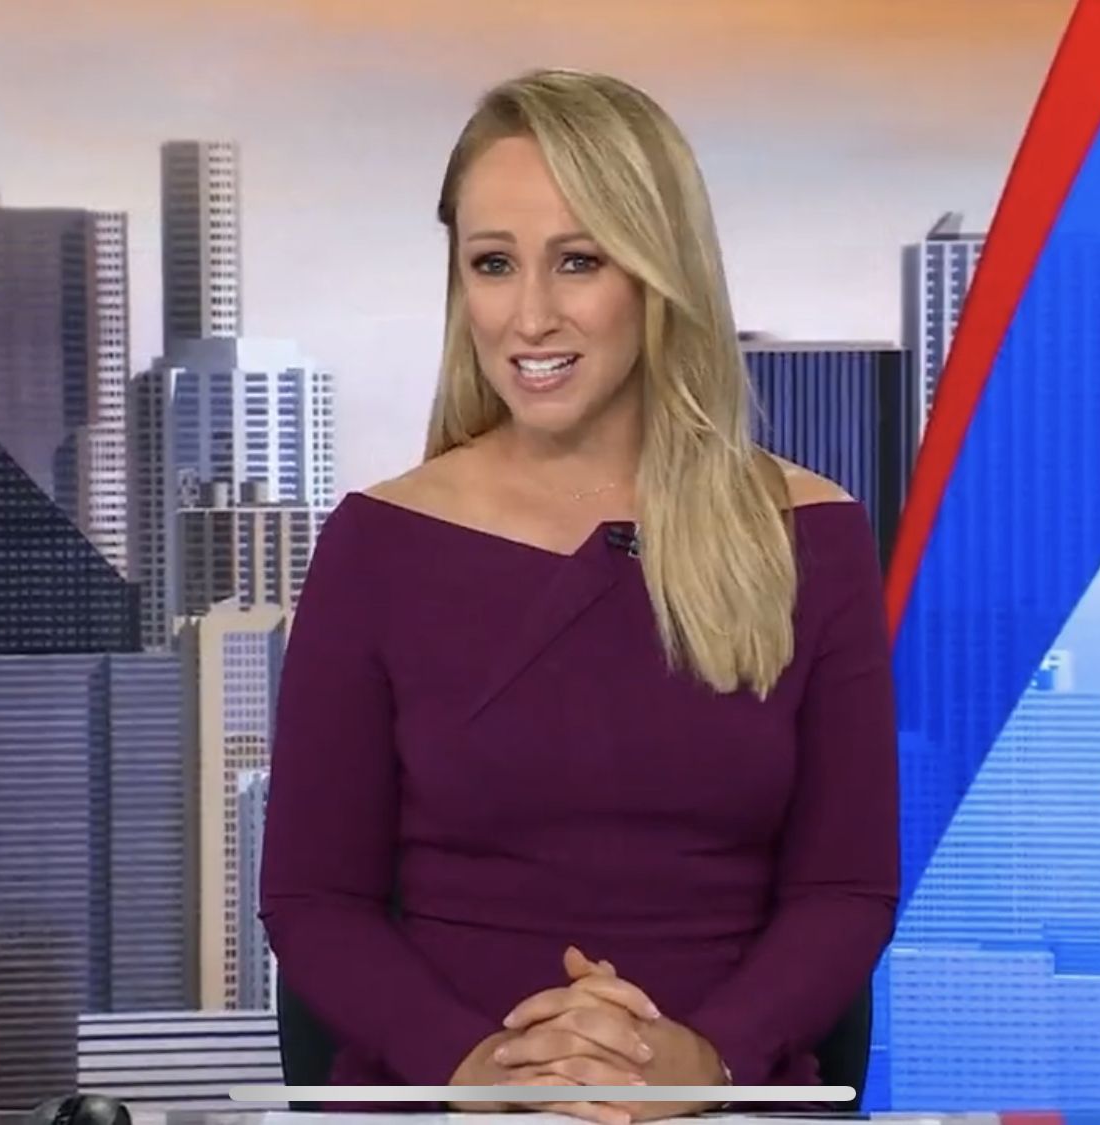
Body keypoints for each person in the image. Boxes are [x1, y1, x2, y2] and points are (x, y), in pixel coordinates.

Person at [258, 67, 899, 1124]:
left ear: (658, 272)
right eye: (493, 264)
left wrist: (700, 1064)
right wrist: (479, 1069)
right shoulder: (377, 544)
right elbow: (315, 900)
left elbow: (844, 891)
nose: (529, 316)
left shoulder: (812, 537)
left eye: (578, 261)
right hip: (453, 1103)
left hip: (718, 1103)